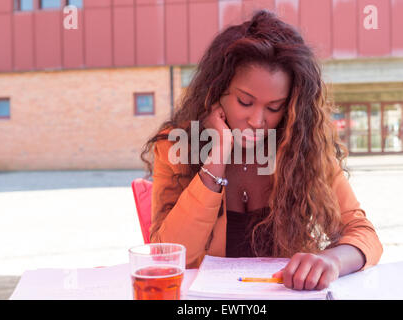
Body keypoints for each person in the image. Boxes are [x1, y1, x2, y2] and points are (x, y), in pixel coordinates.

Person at [140, 10, 382, 291]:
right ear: (215, 93)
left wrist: (333, 260)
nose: (257, 121)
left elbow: (364, 235)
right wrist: (217, 158)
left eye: (274, 107)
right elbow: (167, 257)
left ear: (290, 107)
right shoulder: (176, 145)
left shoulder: (303, 150)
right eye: (245, 102)